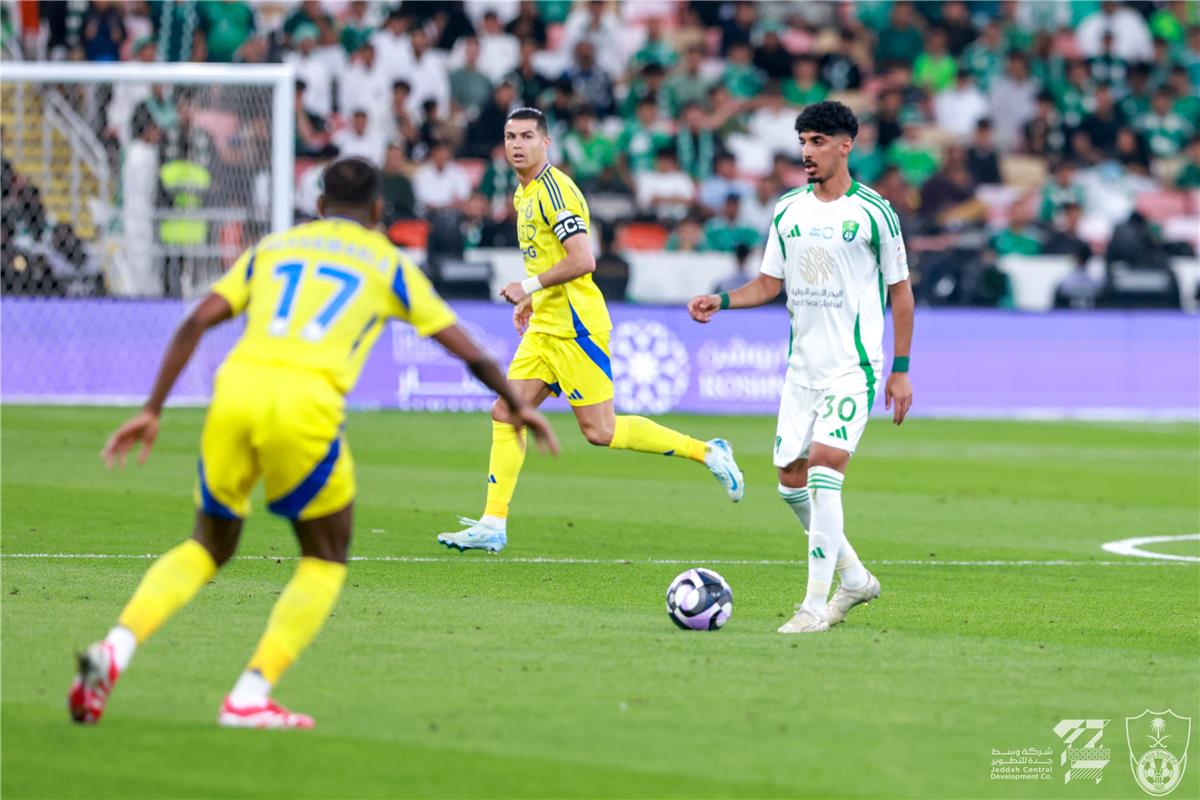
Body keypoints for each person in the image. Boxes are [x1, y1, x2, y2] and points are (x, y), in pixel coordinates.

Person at [68, 158, 558, 730]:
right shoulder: (387, 262)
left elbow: (196, 321)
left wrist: (152, 409)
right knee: (325, 557)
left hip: (234, 396)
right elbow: (467, 350)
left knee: (207, 545)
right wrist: (519, 404)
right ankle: (250, 695)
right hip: (304, 409)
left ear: (320, 205)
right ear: (378, 213)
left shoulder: (276, 247)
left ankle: (116, 649)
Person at [437, 108, 744, 554]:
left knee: (600, 432)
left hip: (577, 328)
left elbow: (584, 259)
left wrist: (525, 286)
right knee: (506, 413)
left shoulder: (555, 192)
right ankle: (493, 522)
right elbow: (550, 261)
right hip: (546, 325)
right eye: (509, 137)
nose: (517, 144)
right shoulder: (525, 194)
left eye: (526, 136)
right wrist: (532, 299)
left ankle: (708, 451)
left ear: (546, 144)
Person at [687, 101, 914, 635]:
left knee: (823, 471)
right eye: (803, 142)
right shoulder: (789, 209)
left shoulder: (875, 213)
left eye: (817, 142)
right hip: (801, 372)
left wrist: (899, 369)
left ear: (845, 145)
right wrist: (723, 300)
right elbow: (770, 284)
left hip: (852, 368)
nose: (807, 152)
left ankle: (813, 606)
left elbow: (900, 294)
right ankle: (854, 578)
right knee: (791, 483)